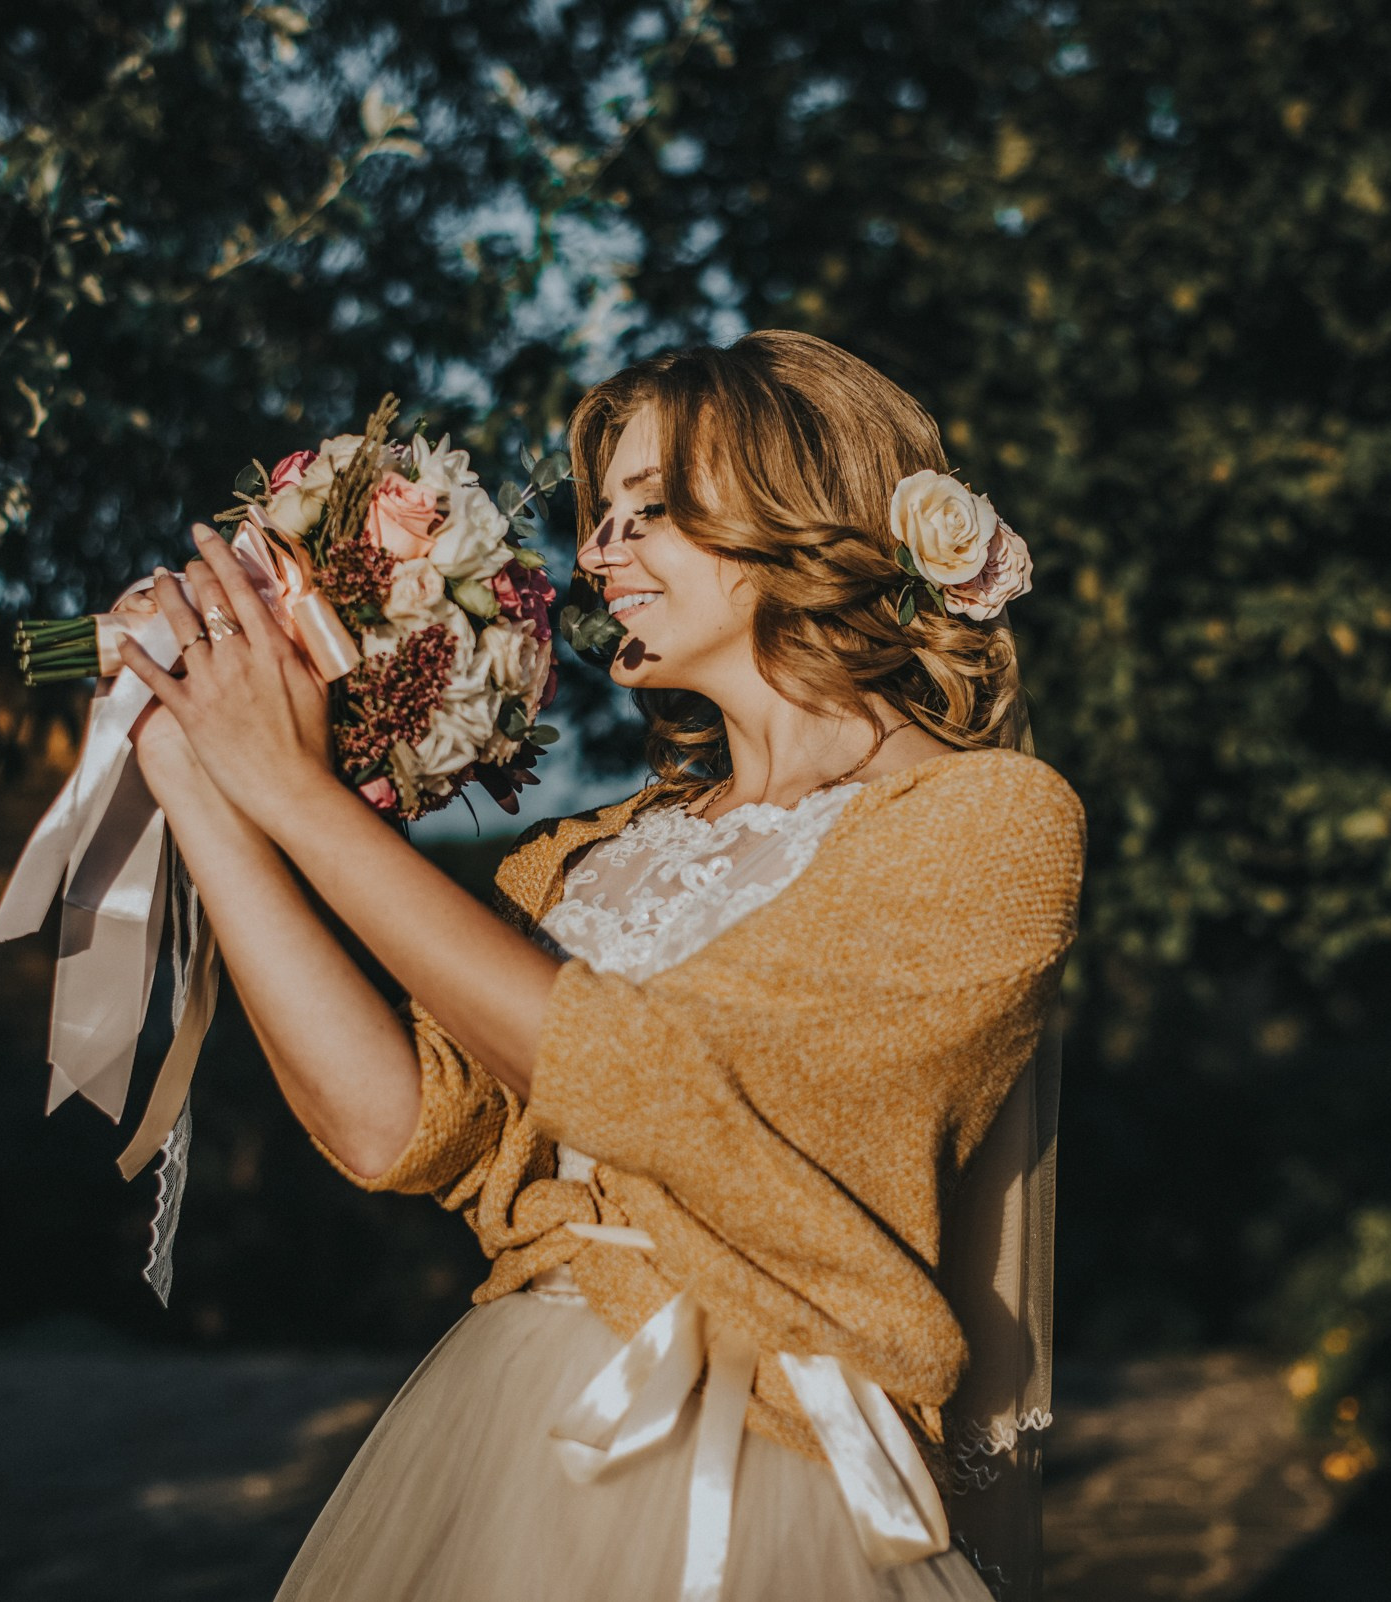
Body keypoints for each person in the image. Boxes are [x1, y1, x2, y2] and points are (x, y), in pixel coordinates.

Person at [118, 330, 1083, 1602]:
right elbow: (389, 1127)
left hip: (773, 1475)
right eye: (598, 516)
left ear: (800, 520)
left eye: (651, 513)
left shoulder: (992, 825)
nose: (594, 555)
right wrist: (204, 784)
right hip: (512, 1439)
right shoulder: (581, 859)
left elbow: (649, 1081)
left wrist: (300, 796)